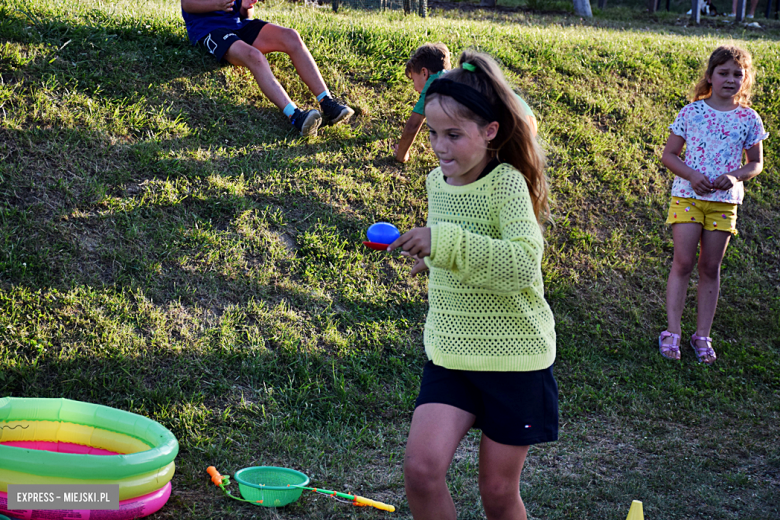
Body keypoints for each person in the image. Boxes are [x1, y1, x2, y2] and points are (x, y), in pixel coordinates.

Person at [387, 50, 557, 520]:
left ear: (490, 132)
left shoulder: (507, 185)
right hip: (451, 353)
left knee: (498, 493)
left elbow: (523, 264)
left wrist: (443, 243)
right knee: (421, 470)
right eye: (434, 134)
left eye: (454, 135)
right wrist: (431, 259)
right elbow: (458, 250)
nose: (440, 147)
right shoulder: (436, 184)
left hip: (515, 358)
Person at [658, 45, 768, 364]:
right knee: (683, 263)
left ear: (745, 79)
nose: (730, 79)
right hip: (688, 197)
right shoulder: (691, 112)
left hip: (723, 203)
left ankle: (702, 335)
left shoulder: (749, 118)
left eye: (737, 73)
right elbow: (669, 155)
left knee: (710, 267)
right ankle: (672, 333)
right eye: (723, 73)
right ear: (710, 76)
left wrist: (734, 177)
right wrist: (692, 175)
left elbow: (755, 163)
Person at [180, 0, 354, 136]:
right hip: (209, 30)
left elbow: (245, 14)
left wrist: (246, 6)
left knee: (291, 36)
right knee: (254, 56)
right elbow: (187, 4)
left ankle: (328, 102)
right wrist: (216, 4)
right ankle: (296, 117)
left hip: (238, 25)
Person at [394, 43, 537, 163]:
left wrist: (401, 155)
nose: (414, 88)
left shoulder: (434, 82)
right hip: (523, 112)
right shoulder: (461, 76)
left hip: (508, 121)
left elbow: (412, 126)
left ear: (424, 73)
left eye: (413, 80)